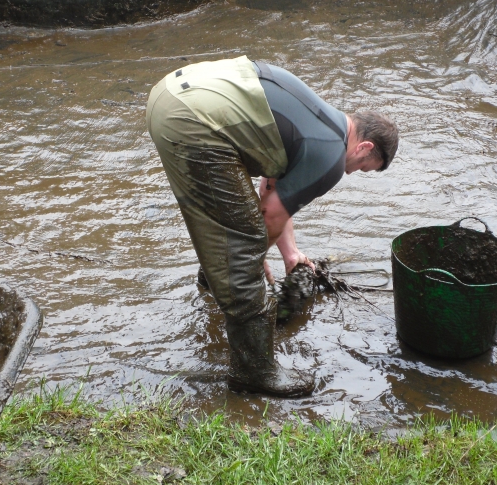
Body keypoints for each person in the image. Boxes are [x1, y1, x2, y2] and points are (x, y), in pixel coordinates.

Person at [146, 55, 398, 398]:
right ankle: (255, 372)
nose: (353, 172)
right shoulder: (332, 158)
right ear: (365, 146)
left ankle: (213, 279)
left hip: (170, 94)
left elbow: (273, 188)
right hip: (193, 120)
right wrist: (251, 255)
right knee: (245, 241)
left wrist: (290, 253)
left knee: (234, 220)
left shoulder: (321, 118)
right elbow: (269, 218)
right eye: (363, 166)